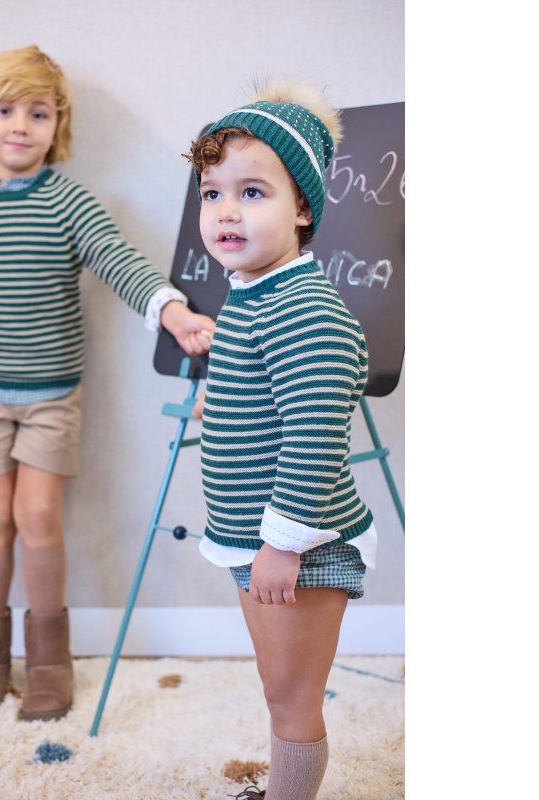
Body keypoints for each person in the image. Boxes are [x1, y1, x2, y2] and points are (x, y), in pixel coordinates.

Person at [0, 45, 214, 723]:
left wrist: (173, 312)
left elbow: (119, 260)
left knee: (38, 517)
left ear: (58, 125)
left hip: (50, 395)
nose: (21, 125)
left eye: (38, 112)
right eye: (5, 110)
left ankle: (50, 661)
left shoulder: (69, 202)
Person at [186, 81, 377, 800]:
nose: (226, 211)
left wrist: (283, 544)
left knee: (292, 700)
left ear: (302, 208)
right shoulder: (252, 293)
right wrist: (221, 399)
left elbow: (316, 437)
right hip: (257, 538)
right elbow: (270, 393)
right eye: (212, 193)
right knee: (277, 687)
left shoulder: (304, 309)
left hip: (300, 543)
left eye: (253, 192)